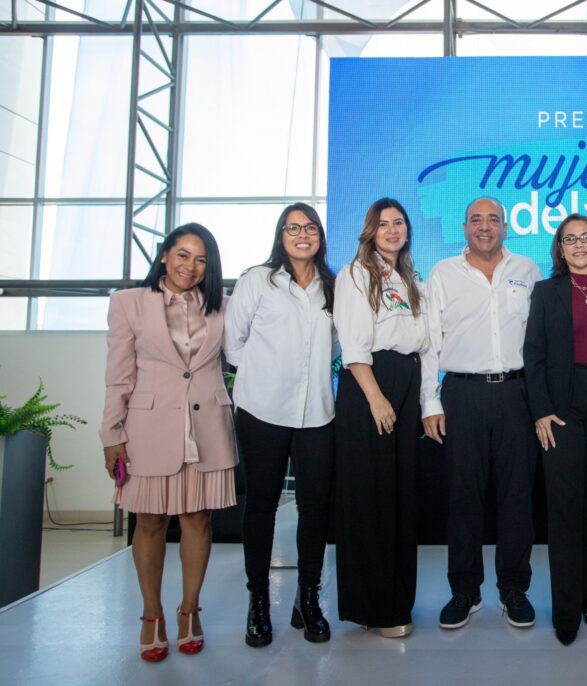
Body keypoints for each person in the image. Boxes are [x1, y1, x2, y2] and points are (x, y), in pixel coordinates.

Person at [100, 223, 235, 662]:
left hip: (207, 426)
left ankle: (189, 609)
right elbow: (119, 375)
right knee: (151, 522)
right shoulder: (129, 304)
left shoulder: (224, 308)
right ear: (164, 255)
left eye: (200, 260)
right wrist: (112, 434)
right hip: (149, 428)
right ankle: (151, 612)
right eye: (182, 255)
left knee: (197, 519)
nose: (190, 266)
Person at [421, 197, 542, 631]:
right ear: (464, 227)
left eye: (493, 219)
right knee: (463, 497)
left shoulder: (528, 271)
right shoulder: (442, 274)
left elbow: (541, 342)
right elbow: (429, 344)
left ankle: (514, 589)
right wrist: (429, 402)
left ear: (506, 227)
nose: (485, 226)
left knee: (517, 497)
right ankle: (465, 591)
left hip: (517, 394)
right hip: (462, 395)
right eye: (476, 219)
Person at [224, 202, 336, 647]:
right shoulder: (258, 280)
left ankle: (307, 599)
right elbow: (233, 344)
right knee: (262, 505)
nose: (302, 234)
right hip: (262, 410)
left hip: (317, 413)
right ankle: (258, 602)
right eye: (293, 228)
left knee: (315, 508)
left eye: (310, 227)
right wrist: (267, 374)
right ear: (281, 234)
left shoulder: (332, 285)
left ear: (320, 235)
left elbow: (336, 344)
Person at [523, 214, 587, 646]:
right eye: (570, 239)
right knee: (563, 507)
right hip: (562, 405)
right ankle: (566, 608)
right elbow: (534, 354)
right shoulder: (547, 293)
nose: (580, 245)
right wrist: (541, 410)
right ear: (560, 250)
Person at [334, 198, 428, 638]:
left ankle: (398, 601)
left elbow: (423, 342)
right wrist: (375, 397)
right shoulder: (357, 274)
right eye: (383, 224)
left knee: (401, 496)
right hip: (372, 383)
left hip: (406, 382)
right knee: (370, 498)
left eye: (399, 223)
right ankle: (375, 607)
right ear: (370, 230)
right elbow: (354, 345)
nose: (392, 230)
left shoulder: (411, 278)